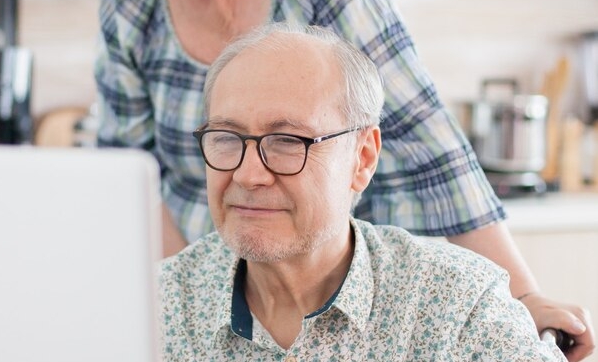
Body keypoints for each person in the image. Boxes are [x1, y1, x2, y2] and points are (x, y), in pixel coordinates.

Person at [86, 0, 593, 359]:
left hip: (361, 293)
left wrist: (523, 296)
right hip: (228, 287)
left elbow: (427, 139)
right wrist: (177, 315)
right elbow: (131, 170)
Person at [159, 21, 566, 361]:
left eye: (287, 140)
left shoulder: (458, 310)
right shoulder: (157, 306)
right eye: (227, 137)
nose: (248, 175)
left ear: (363, 158)